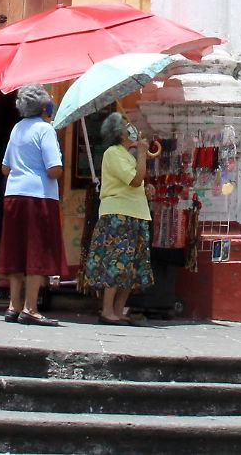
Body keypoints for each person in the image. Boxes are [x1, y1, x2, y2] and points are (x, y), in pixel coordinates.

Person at [0, 84, 66, 326]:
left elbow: (5, 168)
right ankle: (30, 307)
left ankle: (13, 305)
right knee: (37, 251)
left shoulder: (17, 128)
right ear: (44, 106)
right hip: (39, 196)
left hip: (14, 193)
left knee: (17, 249)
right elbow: (53, 170)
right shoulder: (45, 130)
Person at [83, 110, 152, 325]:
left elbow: (138, 181)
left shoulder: (125, 154)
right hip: (118, 215)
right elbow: (133, 180)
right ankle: (107, 311)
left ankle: (119, 310)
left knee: (132, 267)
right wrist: (141, 155)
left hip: (136, 213)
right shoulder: (113, 153)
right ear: (120, 134)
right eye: (126, 127)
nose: (131, 129)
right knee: (116, 263)